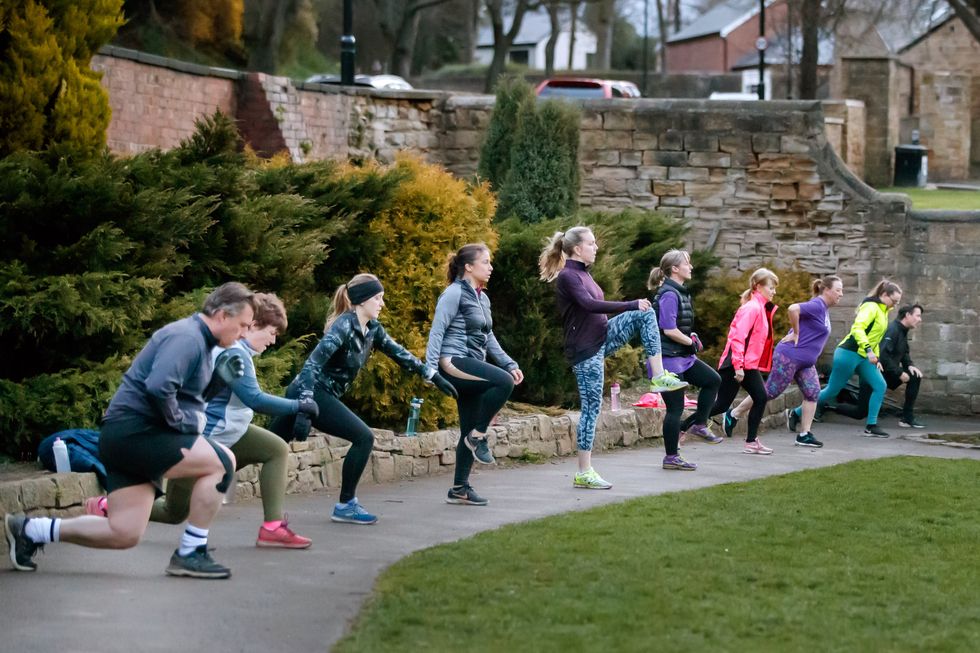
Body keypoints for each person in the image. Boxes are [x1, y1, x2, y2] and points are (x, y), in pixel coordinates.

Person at [5, 283, 255, 578]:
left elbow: (184, 396)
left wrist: (217, 383)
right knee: (222, 462)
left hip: (126, 436)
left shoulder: (199, 342)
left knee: (123, 532)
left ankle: (30, 530)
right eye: (242, 326)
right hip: (137, 433)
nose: (243, 334)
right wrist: (181, 428)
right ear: (223, 315)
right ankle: (191, 552)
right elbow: (159, 389)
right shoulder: (187, 337)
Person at [86, 293, 321, 549]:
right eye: (272, 332)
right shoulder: (234, 354)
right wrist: (300, 406)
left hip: (233, 435)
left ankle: (272, 528)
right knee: (174, 513)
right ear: (253, 325)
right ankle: (109, 507)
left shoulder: (241, 353)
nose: (274, 340)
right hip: (205, 439)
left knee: (275, 449)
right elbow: (254, 398)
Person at [270, 274, 457, 525]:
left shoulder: (372, 330)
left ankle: (210, 479)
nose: (382, 304)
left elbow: (400, 354)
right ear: (361, 301)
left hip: (316, 395)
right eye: (378, 298)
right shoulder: (344, 326)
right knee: (363, 437)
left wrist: (432, 375)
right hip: (312, 393)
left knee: (269, 445)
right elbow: (311, 365)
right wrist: (304, 406)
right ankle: (346, 506)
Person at [539, 227, 687, 490]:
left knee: (645, 313)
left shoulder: (584, 274)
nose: (596, 247)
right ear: (576, 249)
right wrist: (629, 304)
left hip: (602, 337)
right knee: (591, 410)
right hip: (585, 352)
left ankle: (659, 376)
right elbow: (588, 305)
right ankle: (583, 472)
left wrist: (634, 307)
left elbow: (597, 310)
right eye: (592, 243)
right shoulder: (568, 276)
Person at [426, 244, 522, 506]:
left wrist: (509, 362)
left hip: (471, 362)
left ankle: (459, 488)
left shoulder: (483, 298)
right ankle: (478, 436)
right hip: (453, 361)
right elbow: (437, 331)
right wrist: (431, 369)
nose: (491, 267)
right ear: (468, 266)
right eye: (486, 262)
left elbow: (487, 336)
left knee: (468, 429)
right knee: (502, 382)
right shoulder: (453, 293)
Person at [729, 275, 844, 449]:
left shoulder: (824, 309)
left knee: (813, 392)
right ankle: (734, 414)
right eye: (838, 290)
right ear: (826, 290)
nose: (841, 294)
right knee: (770, 392)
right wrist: (796, 333)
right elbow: (792, 309)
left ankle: (804, 435)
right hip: (789, 357)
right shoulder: (817, 305)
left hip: (805, 362)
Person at [787, 279, 902, 438]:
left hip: (863, 356)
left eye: (897, 302)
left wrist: (876, 357)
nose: (894, 305)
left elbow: (875, 337)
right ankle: (795, 413)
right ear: (884, 294)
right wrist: (869, 351)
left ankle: (871, 425)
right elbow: (858, 329)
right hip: (848, 353)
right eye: (893, 301)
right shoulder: (870, 307)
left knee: (880, 385)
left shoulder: (883, 311)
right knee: (832, 390)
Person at [648, 250, 723, 472]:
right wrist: (690, 342)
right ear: (675, 269)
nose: (691, 267)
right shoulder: (670, 294)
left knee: (712, 380)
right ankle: (671, 457)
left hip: (682, 357)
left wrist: (691, 337)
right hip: (668, 360)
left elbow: (679, 327)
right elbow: (669, 329)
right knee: (675, 409)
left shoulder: (680, 292)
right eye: (687, 263)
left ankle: (699, 424)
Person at [711, 268, 779, 454]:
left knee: (761, 397)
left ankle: (751, 442)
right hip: (736, 365)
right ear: (758, 287)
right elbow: (737, 339)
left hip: (748, 365)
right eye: (771, 288)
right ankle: (682, 426)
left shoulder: (760, 308)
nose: (774, 292)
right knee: (721, 405)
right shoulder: (751, 308)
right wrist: (738, 366)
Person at [830, 303, 925, 429]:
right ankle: (827, 406)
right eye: (918, 316)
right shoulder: (893, 330)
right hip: (874, 374)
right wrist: (899, 373)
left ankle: (907, 418)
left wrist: (910, 365)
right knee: (860, 413)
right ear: (907, 315)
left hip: (887, 373)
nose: (920, 319)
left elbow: (903, 352)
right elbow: (883, 356)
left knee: (914, 375)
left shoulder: (902, 331)